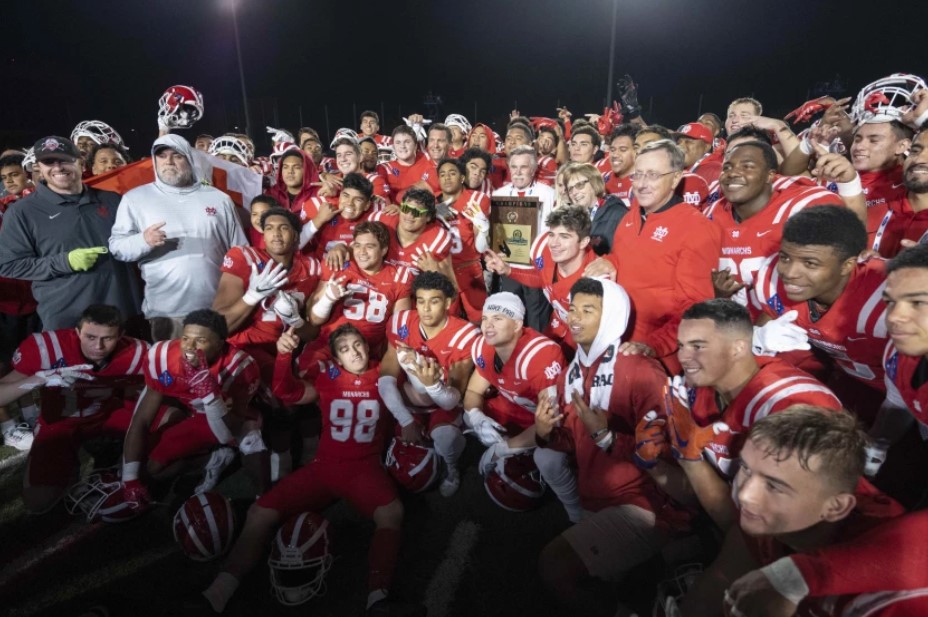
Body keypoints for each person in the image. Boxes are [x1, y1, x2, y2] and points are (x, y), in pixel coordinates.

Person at [193, 323, 420, 616]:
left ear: (368, 346)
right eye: (345, 349)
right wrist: (284, 356)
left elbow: (414, 398)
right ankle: (216, 595)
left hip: (364, 469)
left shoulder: (384, 376)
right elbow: (285, 392)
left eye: (358, 345)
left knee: (391, 514)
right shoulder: (328, 377)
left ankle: (378, 599)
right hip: (323, 468)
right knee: (259, 512)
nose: (354, 352)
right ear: (336, 358)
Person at [680, 406, 928, 617]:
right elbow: (718, 582)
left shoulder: (889, 592)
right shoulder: (785, 512)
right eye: (745, 467)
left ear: (836, 507)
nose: (745, 494)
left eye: (773, 485)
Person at [534, 278, 676, 617]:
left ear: (612, 315)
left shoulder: (639, 368)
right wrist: (545, 433)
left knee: (553, 567)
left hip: (644, 503)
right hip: (598, 498)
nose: (575, 317)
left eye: (588, 310)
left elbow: (670, 451)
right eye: (572, 308)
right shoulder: (572, 373)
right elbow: (572, 442)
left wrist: (609, 437)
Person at [643, 299, 841, 531]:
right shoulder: (691, 392)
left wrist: (690, 459)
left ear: (737, 348)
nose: (684, 357)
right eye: (682, 346)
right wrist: (653, 463)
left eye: (698, 346)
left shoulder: (793, 404)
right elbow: (702, 492)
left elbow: (756, 530)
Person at [585, 139, 722, 372]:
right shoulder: (633, 214)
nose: (641, 184)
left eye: (653, 175)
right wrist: (610, 261)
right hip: (618, 337)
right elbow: (626, 254)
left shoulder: (696, 228)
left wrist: (653, 346)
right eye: (637, 175)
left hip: (659, 355)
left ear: (676, 178)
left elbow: (696, 308)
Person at [0, 305, 148, 512]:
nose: (98, 346)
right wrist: (40, 378)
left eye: (108, 338)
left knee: (164, 428)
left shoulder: (137, 352)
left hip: (109, 415)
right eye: (90, 337)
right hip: (61, 422)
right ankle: (72, 464)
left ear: (121, 335)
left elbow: (154, 392)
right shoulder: (47, 348)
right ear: (77, 332)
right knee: (38, 502)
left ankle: (114, 457)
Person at [752, 206, 888, 422]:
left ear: (847, 265)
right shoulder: (772, 280)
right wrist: (757, 338)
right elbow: (766, 320)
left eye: (810, 263)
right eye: (785, 258)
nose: (789, 273)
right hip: (845, 379)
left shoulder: (886, 296)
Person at [108, 134, 247, 341]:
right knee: (171, 371)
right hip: (166, 313)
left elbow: (240, 251)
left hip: (217, 309)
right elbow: (117, 247)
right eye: (162, 156)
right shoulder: (135, 199)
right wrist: (142, 241)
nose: (169, 162)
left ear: (189, 159)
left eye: (177, 156)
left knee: (217, 372)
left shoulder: (218, 199)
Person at [0, 136, 143, 330]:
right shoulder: (22, 212)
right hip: (68, 320)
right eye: (49, 162)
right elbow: (9, 265)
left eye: (65, 159)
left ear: (81, 163)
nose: (58, 167)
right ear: (39, 168)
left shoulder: (112, 199)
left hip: (125, 314)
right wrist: (64, 262)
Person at [121, 309, 261, 504]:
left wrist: (211, 396)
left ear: (220, 344)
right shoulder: (162, 356)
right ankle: (213, 459)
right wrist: (129, 479)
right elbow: (142, 418)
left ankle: (265, 498)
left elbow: (227, 433)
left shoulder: (240, 367)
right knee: (148, 468)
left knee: (252, 441)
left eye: (201, 341)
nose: (190, 347)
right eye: (186, 338)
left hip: (228, 417)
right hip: (190, 410)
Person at [462, 292, 575, 516]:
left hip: (563, 418)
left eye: (498, 318)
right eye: (485, 318)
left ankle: (575, 510)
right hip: (522, 409)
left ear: (517, 325)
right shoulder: (484, 348)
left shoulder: (540, 356)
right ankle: (519, 453)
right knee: (467, 414)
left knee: (548, 459)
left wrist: (501, 449)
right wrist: (476, 417)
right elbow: (473, 390)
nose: (488, 325)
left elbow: (550, 424)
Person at [706, 141, 843, 308]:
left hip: (790, 322)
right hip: (732, 323)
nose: (733, 173)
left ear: (770, 176)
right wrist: (717, 294)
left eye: (747, 166)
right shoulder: (711, 214)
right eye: (727, 167)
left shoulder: (801, 207)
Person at [379, 272, 479, 497]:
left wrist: (431, 385)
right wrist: (405, 420)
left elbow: (453, 399)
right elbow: (386, 378)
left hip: (443, 402)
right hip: (410, 400)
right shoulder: (402, 322)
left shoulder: (464, 335)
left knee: (446, 439)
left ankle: (452, 468)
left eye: (434, 301)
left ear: (448, 303)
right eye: (420, 301)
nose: (425, 309)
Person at [485, 207, 598, 348]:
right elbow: (542, 278)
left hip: (583, 335)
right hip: (557, 323)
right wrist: (508, 270)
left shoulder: (595, 279)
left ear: (583, 242)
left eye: (564, 236)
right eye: (552, 234)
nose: (554, 243)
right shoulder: (543, 247)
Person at [304, 220, 413, 363]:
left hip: (369, 354)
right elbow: (314, 319)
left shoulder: (400, 277)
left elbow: (399, 329)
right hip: (328, 346)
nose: (362, 252)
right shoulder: (339, 264)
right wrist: (328, 299)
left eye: (369, 246)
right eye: (358, 245)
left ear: (384, 250)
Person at [435, 157, 491, 321]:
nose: (447, 177)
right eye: (443, 174)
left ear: (462, 178)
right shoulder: (432, 202)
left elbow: (481, 248)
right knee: (446, 321)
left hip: (470, 270)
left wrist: (484, 229)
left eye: (452, 173)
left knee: (480, 321)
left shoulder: (476, 200)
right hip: (443, 271)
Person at [371, 187, 453, 275]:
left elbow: (451, 284)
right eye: (406, 208)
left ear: (428, 217)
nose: (409, 215)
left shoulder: (437, 239)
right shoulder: (380, 221)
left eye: (416, 212)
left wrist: (435, 273)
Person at [562, 163, 629, 254]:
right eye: (570, 189)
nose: (574, 192)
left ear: (594, 183)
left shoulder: (618, 214)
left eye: (580, 185)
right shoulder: (572, 218)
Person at [376, 125, 440, 203]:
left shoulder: (427, 159)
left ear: (416, 146)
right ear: (393, 147)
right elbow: (383, 200)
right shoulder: (384, 168)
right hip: (397, 212)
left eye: (407, 142)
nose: (402, 146)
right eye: (398, 142)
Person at [265, 145, 320, 215]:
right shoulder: (271, 194)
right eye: (285, 167)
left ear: (307, 170)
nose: (290, 171)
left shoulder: (320, 193)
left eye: (296, 167)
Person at [603, 124, 637, 201]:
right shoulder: (602, 180)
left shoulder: (644, 184)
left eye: (623, 150)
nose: (615, 155)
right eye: (612, 150)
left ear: (636, 152)